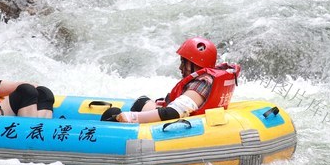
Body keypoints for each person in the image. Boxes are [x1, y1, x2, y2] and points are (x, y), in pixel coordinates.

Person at [101, 37, 241, 124]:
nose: (180, 67)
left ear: (196, 63)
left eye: (184, 63)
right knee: (141, 102)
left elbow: (173, 112)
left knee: (110, 115)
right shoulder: (208, 79)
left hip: (177, 123)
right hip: (185, 116)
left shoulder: (202, 83)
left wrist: (130, 117)